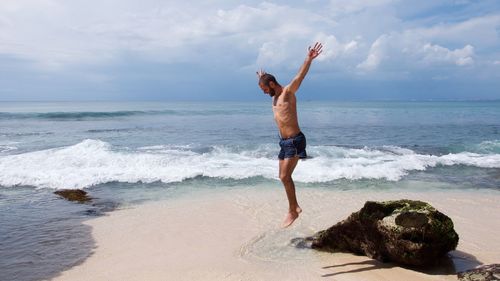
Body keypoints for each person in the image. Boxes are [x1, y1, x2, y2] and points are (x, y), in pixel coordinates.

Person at [256, 42, 323, 228]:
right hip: (284, 143)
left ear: (271, 84)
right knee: (282, 176)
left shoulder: (287, 92)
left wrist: (308, 59)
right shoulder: (274, 97)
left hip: (295, 140)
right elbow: (267, 82)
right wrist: (262, 77)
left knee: (285, 177)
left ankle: (293, 210)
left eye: (265, 89)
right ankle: (294, 208)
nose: (264, 93)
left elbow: (299, 76)